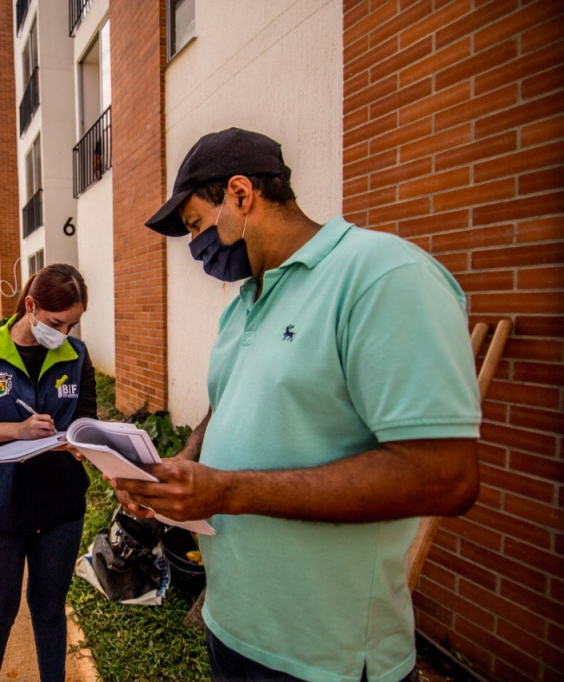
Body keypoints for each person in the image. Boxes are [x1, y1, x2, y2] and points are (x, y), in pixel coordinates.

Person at [113, 128, 482, 682]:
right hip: (231, 628)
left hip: (324, 657)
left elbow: (445, 477)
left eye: (194, 225)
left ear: (240, 195)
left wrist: (228, 491)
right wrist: (182, 468)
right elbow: (230, 402)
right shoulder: (244, 303)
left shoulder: (381, 275)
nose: (195, 248)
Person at [0, 263, 96, 682]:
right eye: (56, 322)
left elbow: (85, 421)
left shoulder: (77, 357)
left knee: (49, 614)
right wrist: (17, 430)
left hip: (59, 510)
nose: (64, 333)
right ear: (30, 305)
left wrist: (81, 442)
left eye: (73, 324)